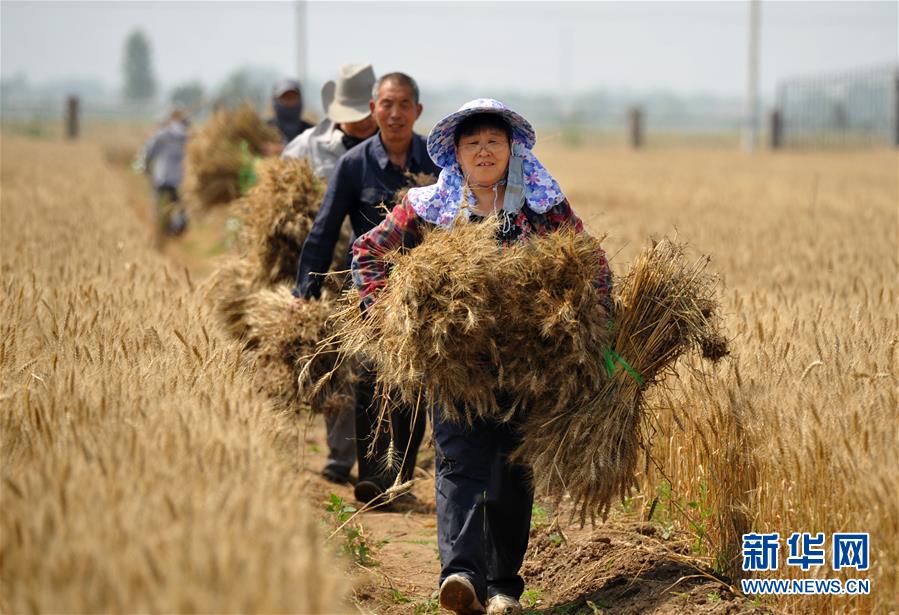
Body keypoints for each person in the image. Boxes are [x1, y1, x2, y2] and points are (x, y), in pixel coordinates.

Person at [351, 99, 613, 615]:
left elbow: (593, 264)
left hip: (527, 366)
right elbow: (367, 251)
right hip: (456, 365)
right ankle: (461, 576)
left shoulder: (543, 206)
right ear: (457, 154)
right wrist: (387, 314)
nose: (484, 151)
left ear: (512, 150)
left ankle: (503, 587)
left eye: (494, 141)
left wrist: (591, 320)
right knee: (458, 463)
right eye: (473, 144)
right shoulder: (430, 207)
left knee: (513, 472)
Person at [295, 72, 439, 505]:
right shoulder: (354, 164)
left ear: (417, 111)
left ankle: (400, 478)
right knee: (370, 377)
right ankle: (373, 477)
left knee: (413, 384)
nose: (395, 114)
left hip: (424, 294)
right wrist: (303, 294)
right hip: (367, 291)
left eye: (404, 105)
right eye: (386, 105)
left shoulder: (437, 163)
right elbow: (324, 232)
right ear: (373, 109)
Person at [282, 63, 378, 486]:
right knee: (337, 360)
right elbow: (278, 204)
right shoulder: (307, 147)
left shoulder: (391, 148)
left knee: (377, 364)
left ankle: (380, 460)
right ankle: (341, 454)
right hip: (325, 268)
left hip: (377, 270)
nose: (358, 120)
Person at [136, 106, 190, 238]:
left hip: (162, 175)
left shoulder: (162, 134)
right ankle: (177, 229)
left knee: (158, 203)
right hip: (179, 177)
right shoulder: (186, 135)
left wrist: (144, 166)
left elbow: (148, 151)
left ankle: (159, 229)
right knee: (178, 204)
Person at [268, 78, 314, 145]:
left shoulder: (311, 132)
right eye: (285, 98)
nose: (290, 102)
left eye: (293, 97)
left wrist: (283, 149)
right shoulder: (265, 129)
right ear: (275, 101)